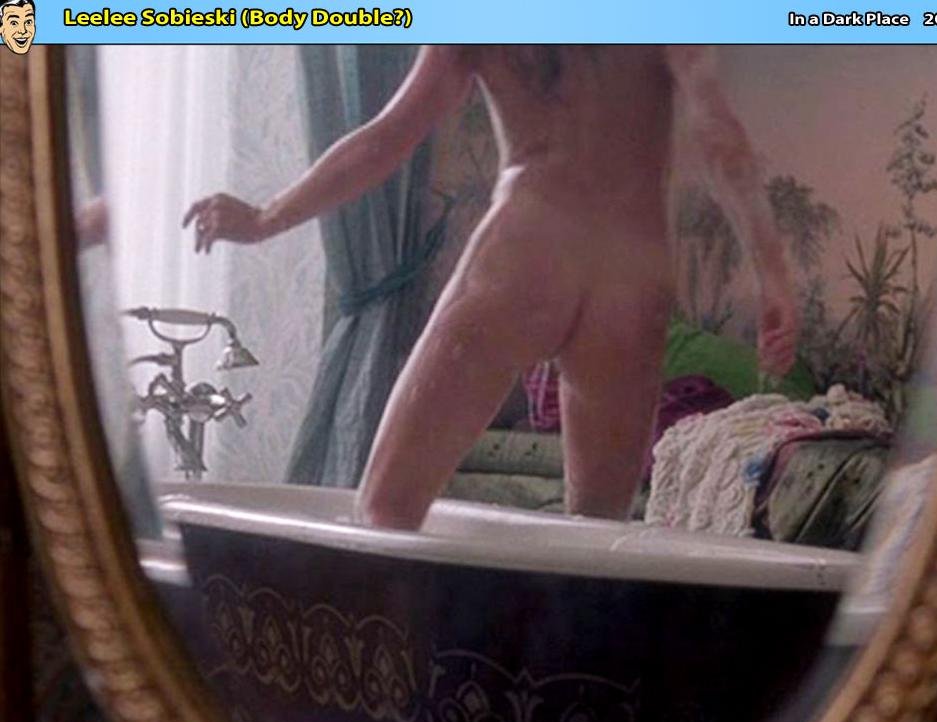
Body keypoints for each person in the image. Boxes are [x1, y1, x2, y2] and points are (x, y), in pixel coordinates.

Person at [183, 45, 798, 530]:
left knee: (386, 510)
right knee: (593, 539)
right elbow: (721, 138)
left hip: (528, 247)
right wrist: (772, 275)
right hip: (632, 272)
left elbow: (388, 136)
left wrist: (265, 218)